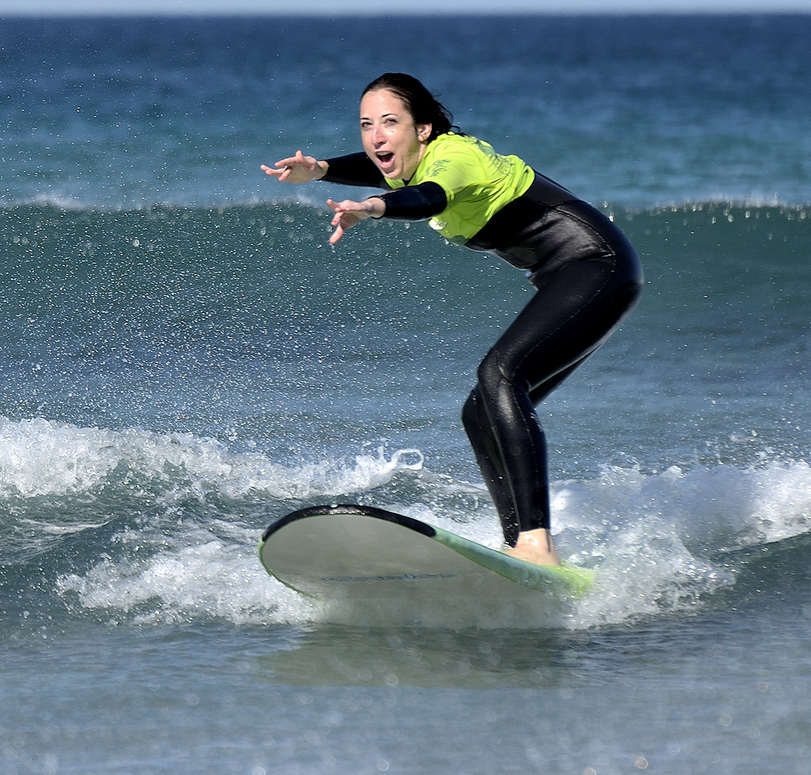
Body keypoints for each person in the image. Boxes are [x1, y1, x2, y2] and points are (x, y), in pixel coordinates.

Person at [263, 73, 641, 567]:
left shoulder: (454, 159)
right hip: (570, 274)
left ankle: (536, 543)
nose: (376, 135)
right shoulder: (410, 162)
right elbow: (387, 177)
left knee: (499, 376)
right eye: (366, 124)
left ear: (423, 129)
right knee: (480, 409)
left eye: (390, 122)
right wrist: (321, 169)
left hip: (598, 263)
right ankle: (521, 546)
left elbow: (426, 199)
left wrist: (374, 208)